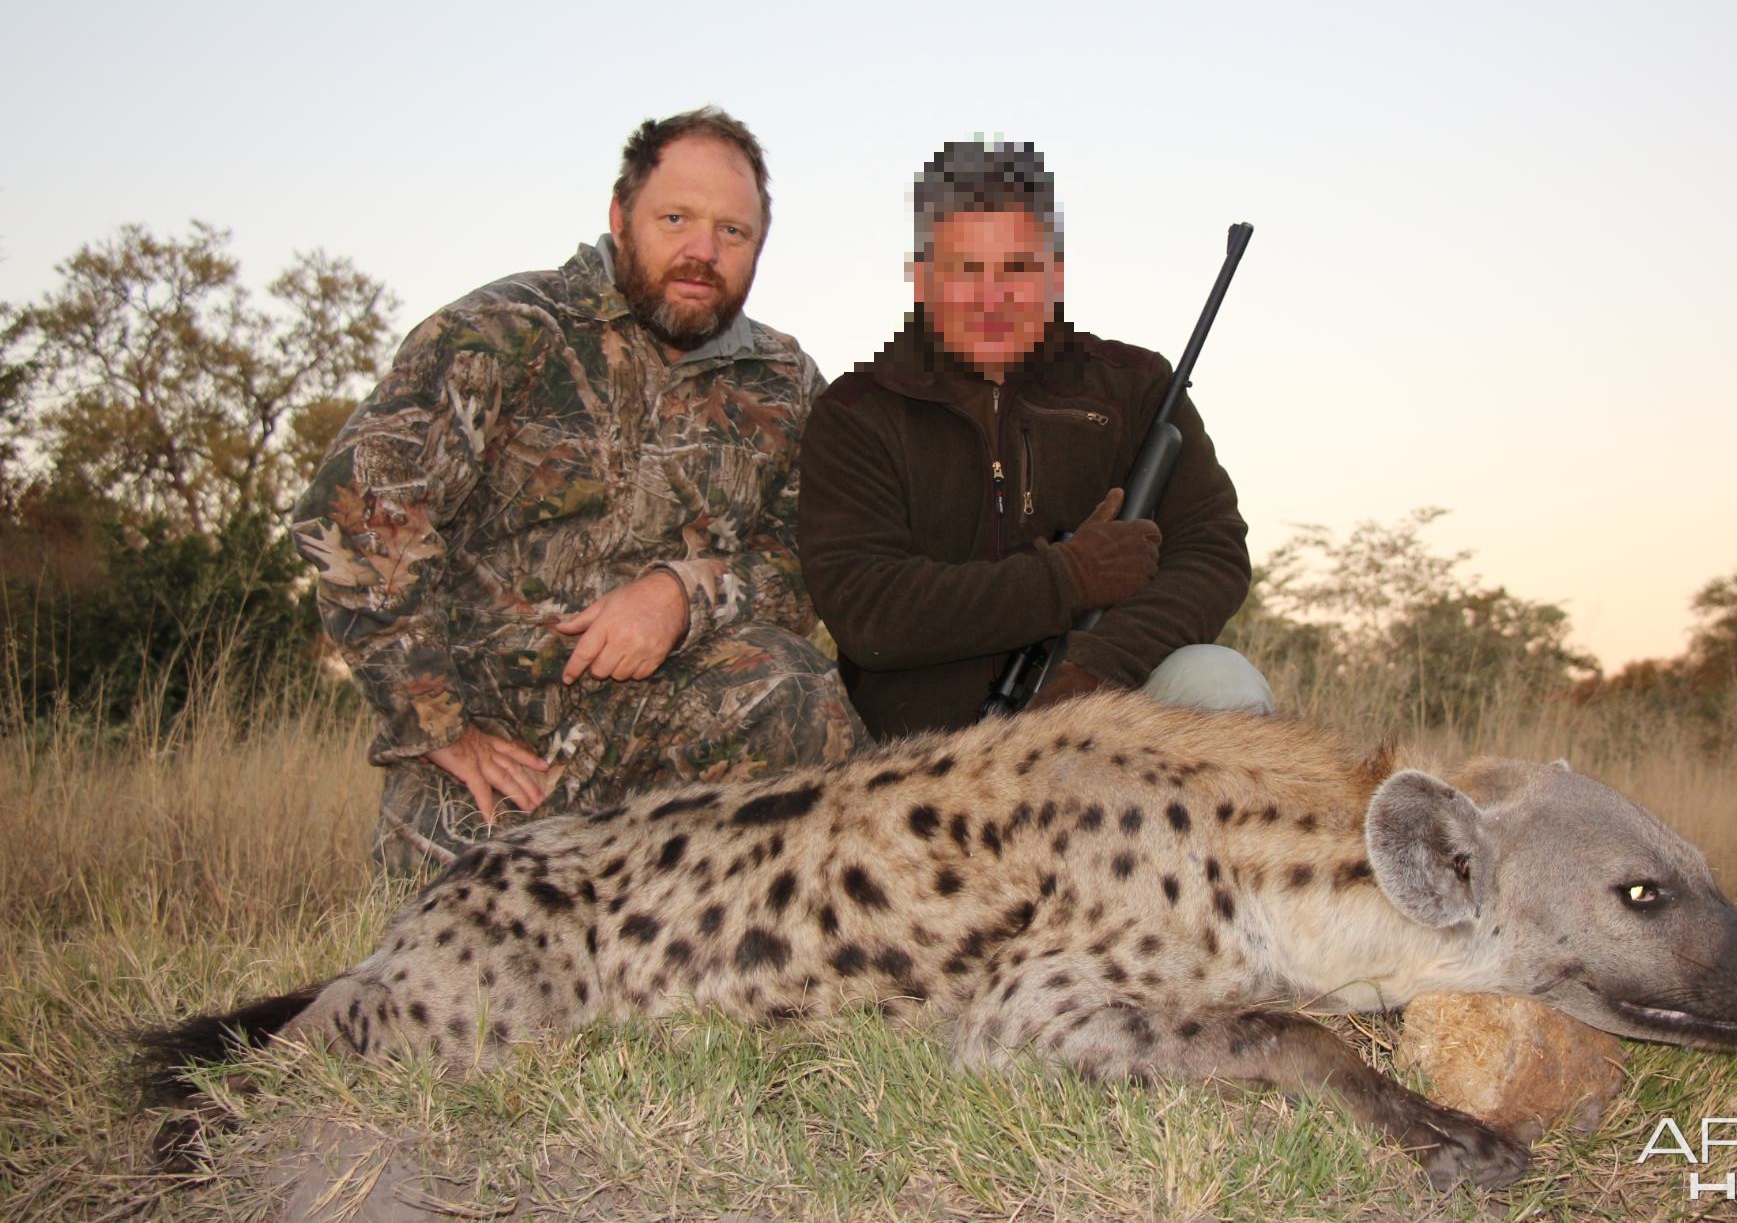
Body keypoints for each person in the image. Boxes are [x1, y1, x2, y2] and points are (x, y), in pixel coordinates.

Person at [294, 108, 867, 871]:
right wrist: (437, 724)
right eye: (676, 218)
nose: (703, 251)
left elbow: (816, 557)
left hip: (681, 722)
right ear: (619, 217)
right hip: (507, 749)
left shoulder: (788, 384)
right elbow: (354, 519)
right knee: (465, 951)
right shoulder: (503, 332)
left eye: (734, 232)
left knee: (800, 689)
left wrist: (679, 595)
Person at [797, 140, 1267, 740]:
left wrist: (1094, 670)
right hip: (924, 757)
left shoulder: (1137, 386)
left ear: (1056, 272)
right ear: (921, 275)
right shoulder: (855, 410)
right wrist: (1068, 577)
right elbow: (869, 608)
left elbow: (1212, 553)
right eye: (967, 270)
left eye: (1017, 268)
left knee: (1221, 683)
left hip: (1110, 712)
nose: (994, 298)